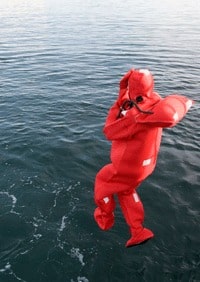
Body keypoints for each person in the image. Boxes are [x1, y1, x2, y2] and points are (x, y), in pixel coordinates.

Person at [93, 68, 193, 247]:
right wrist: (124, 93)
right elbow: (137, 102)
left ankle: (105, 218)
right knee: (126, 190)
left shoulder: (135, 116)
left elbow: (109, 131)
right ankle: (138, 230)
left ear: (132, 87)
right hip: (145, 167)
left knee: (102, 183)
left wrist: (118, 101)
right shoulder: (154, 103)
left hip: (126, 168)